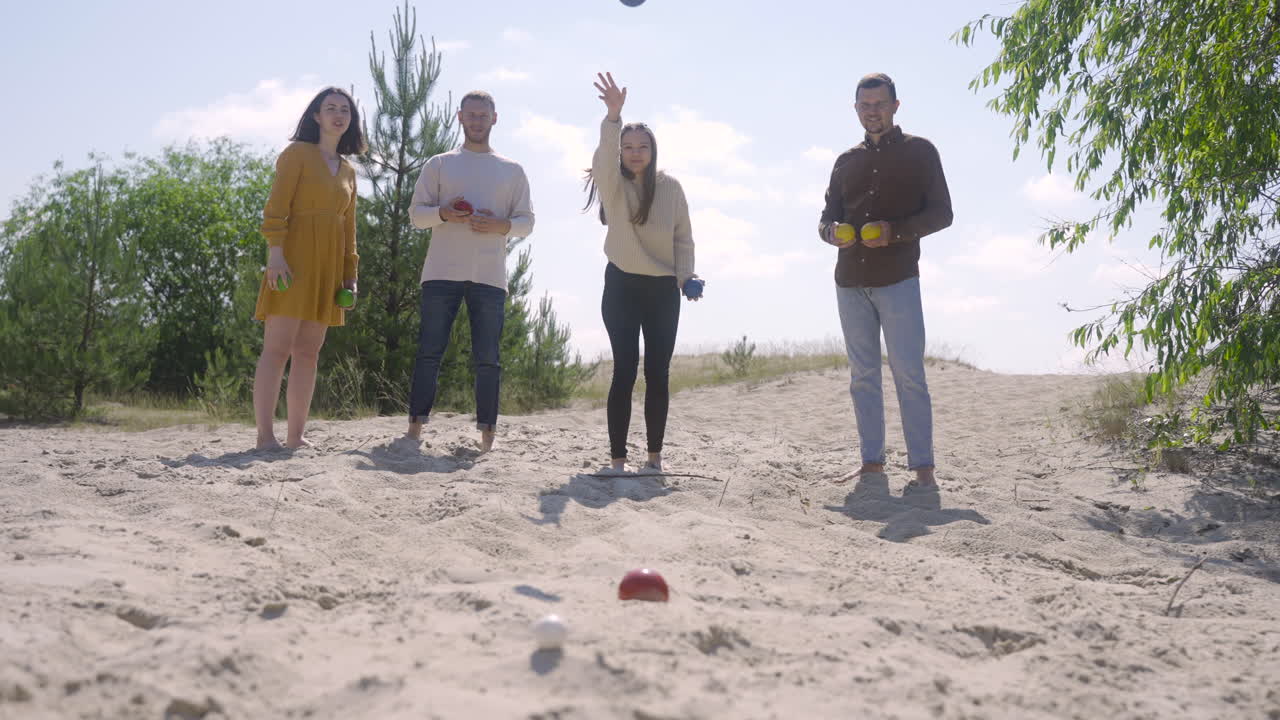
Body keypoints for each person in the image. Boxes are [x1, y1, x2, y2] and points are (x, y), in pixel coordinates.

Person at [818, 73, 953, 489]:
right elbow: (825, 220)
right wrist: (832, 232)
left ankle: (923, 470)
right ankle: (872, 464)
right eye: (864, 105)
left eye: (879, 104)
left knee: (909, 374)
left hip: (898, 279)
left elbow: (942, 214)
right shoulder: (845, 160)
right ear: (855, 109)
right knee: (862, 377)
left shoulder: (921, 152)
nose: (872, 111)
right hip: (849, 281)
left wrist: (893, 232)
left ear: (896, 106)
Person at [404, 90, 534, 452]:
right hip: (440, 272)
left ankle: (487, 436)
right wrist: (443, 213)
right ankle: (414, 429)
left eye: (483, 115)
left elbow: (527, 223)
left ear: (495, 118)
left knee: (488, 359)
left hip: (490, 276)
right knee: (429, 352)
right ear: (459, 117)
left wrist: (500, 226)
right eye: (471, 115)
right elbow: (416, 216)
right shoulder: (440, 164)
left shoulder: (512, 170)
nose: (477, 121)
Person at [584, 72, 699, 475]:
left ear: (653, 150)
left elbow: (683, 238)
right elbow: (603, 157)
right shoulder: (612, 187)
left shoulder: (671, 187)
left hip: (662, 290)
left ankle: (654, 458)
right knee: (625, 368)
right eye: (628, 147)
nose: (635, 152)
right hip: (622, 287)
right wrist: (613, 116)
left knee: (658, 373)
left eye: (642, 146)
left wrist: (687, 277)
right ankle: (617, 459)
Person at [252, 86, 365, 450]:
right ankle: (265, 436)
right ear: (316, 116)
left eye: (345, 110)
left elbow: (349, 229)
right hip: (292, 259)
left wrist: (350, 274)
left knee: (308, 352)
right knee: (277, 349)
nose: (338, 114)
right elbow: (276, 209)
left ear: (351, 120)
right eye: (330, 108)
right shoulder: (297, 155)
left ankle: (296, 437)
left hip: (329, 268)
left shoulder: (349, 170)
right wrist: (276, 253)